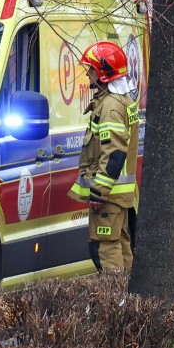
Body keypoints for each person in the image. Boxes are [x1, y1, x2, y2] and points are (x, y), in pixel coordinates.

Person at [68, 41, 140, 272]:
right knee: (122, 247)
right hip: (121, 197)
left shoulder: (109, 106)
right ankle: (131, 304)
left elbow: (114, 152)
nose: (88, 73)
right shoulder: (122, 101)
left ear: (103, 71)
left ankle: (117, 304)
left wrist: (99, 192)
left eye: (91, 68)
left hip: (109, 198)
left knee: (105, 252)